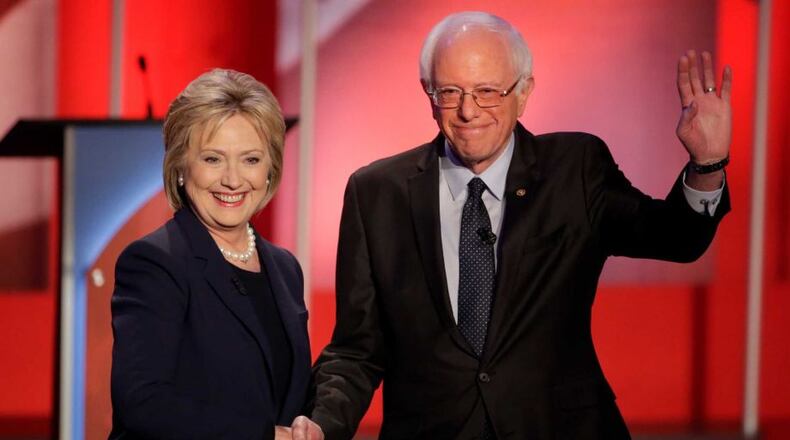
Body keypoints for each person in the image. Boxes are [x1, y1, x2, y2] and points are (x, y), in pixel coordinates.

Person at [308, 11, 732, 439]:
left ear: (524, 92)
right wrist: (321, 427)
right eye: (451, 92)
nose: (469, 111)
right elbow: (356, 350)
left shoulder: (575, 168)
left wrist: (707, 165)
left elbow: (677, 237)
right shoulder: (376, 193)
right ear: (428, 93)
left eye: (488, 91)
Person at [110, 69, 322, 440]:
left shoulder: (285, 268)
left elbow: (284, 390)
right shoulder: (154, 262)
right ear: (180, 167)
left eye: (251, 160)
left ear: (271, 169)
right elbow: (143, 402)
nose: (233, 180)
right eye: (212, 159)